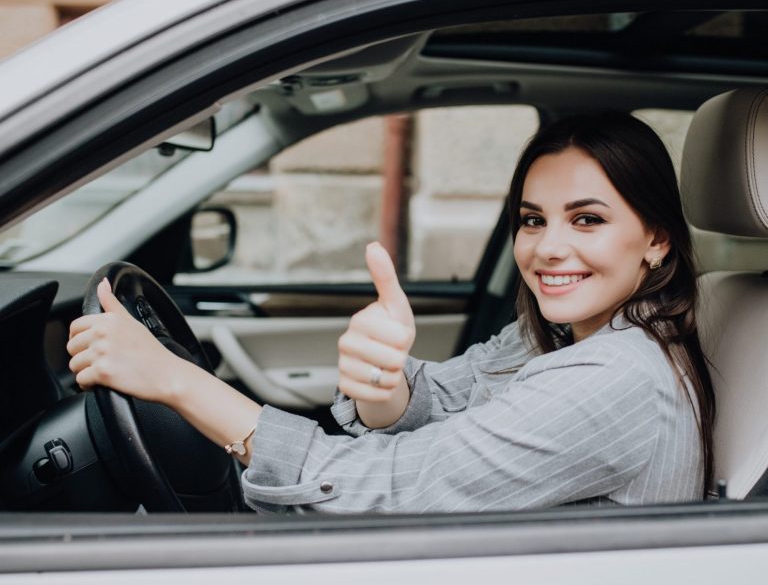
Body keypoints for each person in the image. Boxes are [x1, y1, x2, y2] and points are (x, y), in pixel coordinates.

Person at [67, 112, 715, 513]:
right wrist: (387, 388)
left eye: (587, 220)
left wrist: (177, 382)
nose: (548, 248)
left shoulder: (613, 379)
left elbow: (385, 489)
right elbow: (443, 395)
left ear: (656, 238)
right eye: (531, 220)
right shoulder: (558, 334)